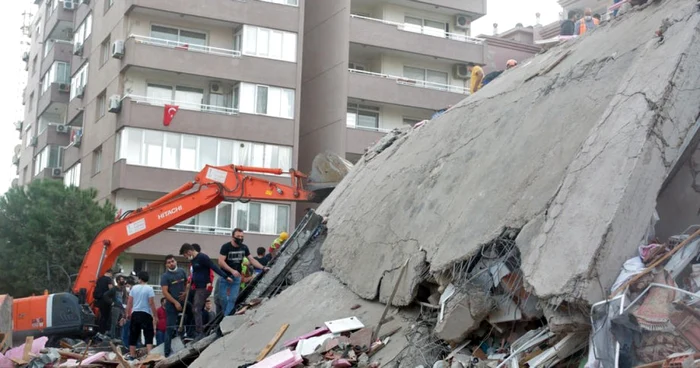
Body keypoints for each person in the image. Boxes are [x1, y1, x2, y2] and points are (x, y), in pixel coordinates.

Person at [179, 243, 231, 340]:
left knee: (196, 308)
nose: (186, 257)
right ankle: (197, 330)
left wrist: (225, 276)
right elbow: (195, 273)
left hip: (203, 288)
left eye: (185, 255)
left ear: (189, 251)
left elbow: (213, 267)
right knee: (194, 309)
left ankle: (200, 332)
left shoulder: (202, 257)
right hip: (196, 287)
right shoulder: (193, 261)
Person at [218, 229, 270, 316]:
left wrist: (263, 267)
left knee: (233, 298)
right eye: (238, 236)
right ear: (233, 237)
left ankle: (227, 317)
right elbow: (220, 261)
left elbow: (252, 260)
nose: (240, 238)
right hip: (225, 276)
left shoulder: (244, 247)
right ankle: (226, 314)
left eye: (242, 237)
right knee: (223, 298)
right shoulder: (226, 247)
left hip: (236, 277)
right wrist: (231, 270)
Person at [125, 271, 158, 358]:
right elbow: (151, 303)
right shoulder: (149, 289)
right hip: (146, 314)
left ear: (140, 279)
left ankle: (132, 355)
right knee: (148, 335)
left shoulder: (134, 288)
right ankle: (150, 355)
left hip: (135, 313)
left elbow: (129, 302)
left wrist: (127, 313)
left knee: (133, 335)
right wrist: (155, 315)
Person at [93, 269, 114, 335]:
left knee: (101, 316)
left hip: (99, 300)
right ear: (110, 273)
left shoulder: (100, 279)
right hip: (106, 301)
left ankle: (98, 330)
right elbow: (111, 289)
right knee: (106, 316)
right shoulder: (108, 279)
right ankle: (103, 331)